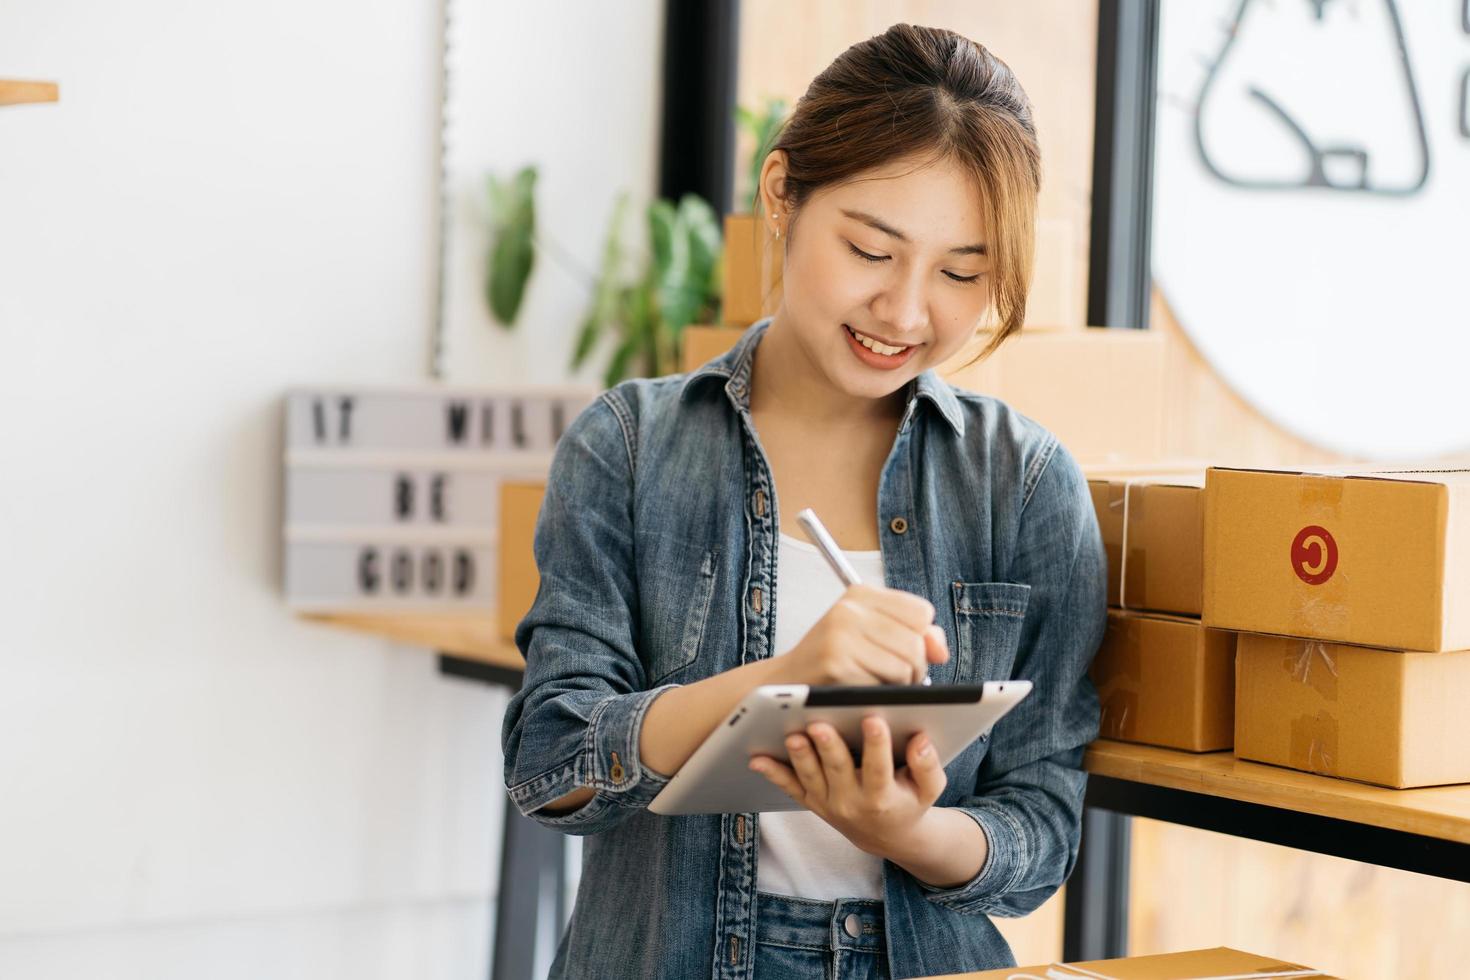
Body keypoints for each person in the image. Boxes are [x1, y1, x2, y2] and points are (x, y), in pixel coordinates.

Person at [501, 22, 1107, 980]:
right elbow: (551, 765)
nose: (907, 312)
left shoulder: (1022, 483)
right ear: (781, 196)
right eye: (871, 250)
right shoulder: (631, 446)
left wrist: (906, 830)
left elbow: (1040, 834)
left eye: (961, 273)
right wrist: (776, 682)